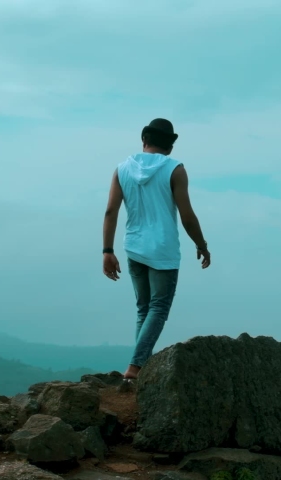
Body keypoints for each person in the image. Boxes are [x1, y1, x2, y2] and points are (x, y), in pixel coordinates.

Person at [101, 118, 211, 380]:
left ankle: (139, 368)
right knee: (158, 308)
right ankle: (135, 368)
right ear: (170, 146)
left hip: (133, 247)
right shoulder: (175, 169)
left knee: (144, 308)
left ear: (144, 140)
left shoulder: (122, 169)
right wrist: (202, 244)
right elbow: (187, 216)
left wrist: (107, 250)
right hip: (163, 250)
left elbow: (110, 211)